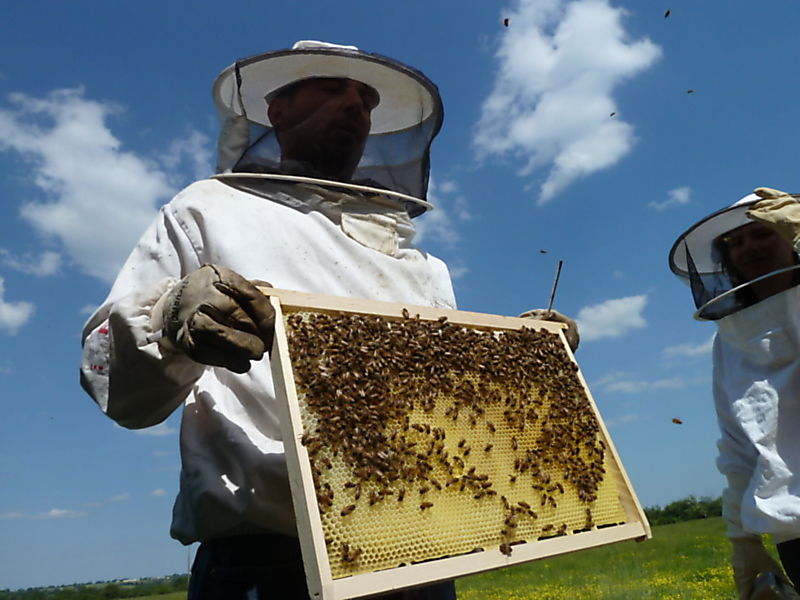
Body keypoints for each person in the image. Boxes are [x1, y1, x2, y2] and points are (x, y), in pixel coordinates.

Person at [80, 40, 579, 600]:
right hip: (270, 564)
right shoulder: (207, 209)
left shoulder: (420, 264)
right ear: (277, 109)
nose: (355, 106)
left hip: (420, 553)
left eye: (366, 100)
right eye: (332, 88)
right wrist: (170, 318)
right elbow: (118, 389)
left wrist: (528, 357)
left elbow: (447, 406)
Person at [669, 187, 800, 599]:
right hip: (794, 533)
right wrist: (743, 540)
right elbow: (739, 445)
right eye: (734, 242)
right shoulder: (730, 340)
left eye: (761, 233)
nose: (747, 248)